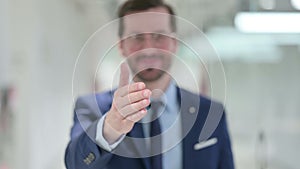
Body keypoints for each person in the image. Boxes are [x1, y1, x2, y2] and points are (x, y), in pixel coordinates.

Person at [65, 0, 234, 169]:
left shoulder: (211, 113)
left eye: (159, 36)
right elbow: (75, 164)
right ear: (122, 46)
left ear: (174, 43)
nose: (148, 49)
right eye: (137, 37)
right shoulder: (92, 108)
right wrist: (110, 127)